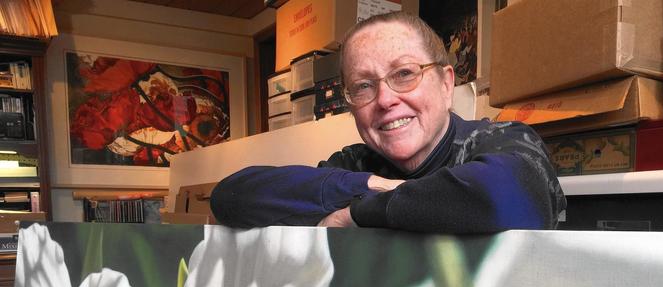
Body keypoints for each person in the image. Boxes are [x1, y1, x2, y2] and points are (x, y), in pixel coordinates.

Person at [210, 11, 566, 234]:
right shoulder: (357, 164)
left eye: (405, 73)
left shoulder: (503, 140)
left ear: (446, 84)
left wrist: (357, 214)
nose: (384, 99)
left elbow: (505, 198)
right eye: (363, 86)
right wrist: (373, 184)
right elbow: (232, 197)